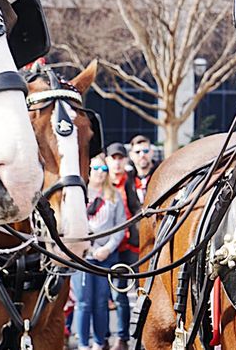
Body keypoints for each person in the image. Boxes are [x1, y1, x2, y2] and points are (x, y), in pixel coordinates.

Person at [72, 156, 128, 350]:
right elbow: (71, 225)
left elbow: (120, 226)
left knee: (101, 302)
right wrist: (89, 247)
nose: (100, 171)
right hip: (83, 256)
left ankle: (98, 342)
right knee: (84, 302)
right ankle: (82, 344)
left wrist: (107, 248)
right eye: (96, 167)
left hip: (106, 257)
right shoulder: (78, 194)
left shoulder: (113, 195)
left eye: (104, 167)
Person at [104, 142, 141, 350]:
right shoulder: (101, 182)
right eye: (113, 158)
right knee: (103, 295)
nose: (117, 163)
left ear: (125, 160)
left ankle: (124, 337)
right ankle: (105, 336)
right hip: (108, 246)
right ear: (107, 160)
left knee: (123, 294)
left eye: (120, 158)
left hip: (129, 246)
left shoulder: (130, 181)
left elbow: (136, 208)